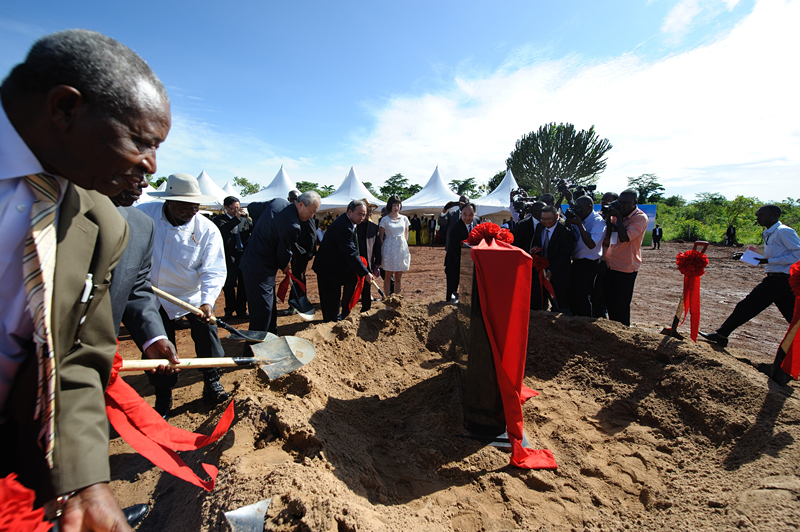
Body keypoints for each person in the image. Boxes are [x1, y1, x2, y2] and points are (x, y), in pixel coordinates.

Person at [0, 29, 171, 530]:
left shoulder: (103, 224)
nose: (151, 165)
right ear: (66, 110)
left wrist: (83, 482)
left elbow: (75, 357)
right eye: (142, 141)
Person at [138, 173, 230, 407]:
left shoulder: (207, 230)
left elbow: (214, 270)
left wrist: (207, 301)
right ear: (169, 201)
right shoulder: (143, 216)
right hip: (153, 296)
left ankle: (212, 383)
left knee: (208, 339)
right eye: (186, 205)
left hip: (192, 296)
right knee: (159, 348)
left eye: (196, 205)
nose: (193, 210)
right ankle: (163, 396)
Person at [109, 186, 180, 419]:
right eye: (138, 151)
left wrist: (154, 336)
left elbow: (136, 287)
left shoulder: (140, 224)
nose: (148, 171)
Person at [700, 205, 800, 349]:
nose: (758, 219)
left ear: (774, 215)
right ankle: (722, 334)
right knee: (793, 317)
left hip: (781, 279)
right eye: (757, 216)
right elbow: (772, 253)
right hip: (778, 278)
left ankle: (722, 334)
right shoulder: (769, 233)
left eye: (761, 216)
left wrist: (767, 261)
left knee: (747, 305)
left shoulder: (784, 231)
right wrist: (746, 256)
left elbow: (797, 254)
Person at [240, 191, 321, 334]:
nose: (312, 216)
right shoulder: (293, 226)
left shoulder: (277, 202)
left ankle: (272, 337)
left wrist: (265, 227)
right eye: (311, 211)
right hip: (259, 268)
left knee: (270, 307)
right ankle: (254, 349)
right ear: (301, 204)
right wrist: (285, 265)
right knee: (262, 311)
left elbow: (252, 208)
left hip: (252, 260)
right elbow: (282, 254)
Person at [313, 200, 375, 321]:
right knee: (331, 300)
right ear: (350, 211)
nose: (362, 217)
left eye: (364, 214)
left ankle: (332, 321)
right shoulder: (344, 226)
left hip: (335, 268)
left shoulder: (349, 222)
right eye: (359, 214)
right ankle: (331, 325)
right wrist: (365, 273)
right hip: (328, 269)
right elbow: (351, 252)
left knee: (334, 300)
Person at [603, 189, 649, 326]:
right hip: (611, 263)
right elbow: (607, 233)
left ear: (635, 202)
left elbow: (624, 237)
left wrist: (617, 215)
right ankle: (613, 328)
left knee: (621, 304)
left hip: (626, 267)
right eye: (620, 202)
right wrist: (609, 215)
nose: (622, 206)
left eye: (626, 203)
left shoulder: (640, 218)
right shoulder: (617, 215)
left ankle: (623, 330)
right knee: (610, 301)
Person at [566, 196, 606, 317]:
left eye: (580, 208)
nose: (578, 210)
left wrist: (579, 224)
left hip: (590, 264)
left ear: (589, 207)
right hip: (576, 262)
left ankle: (585, 320)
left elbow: (591, 244)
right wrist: (569, 221)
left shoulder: (598, 221)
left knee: (584, 295)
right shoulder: (579, 217)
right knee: (573, 293)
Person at [212, 196, 252, 319]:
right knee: (229, 285)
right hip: (228, 257)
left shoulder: (244, 220)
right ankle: (229, 310)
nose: (236, 210)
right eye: (233, 208)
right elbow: (223, 230)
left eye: (238, 208)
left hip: (242, 256)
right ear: (225, 207)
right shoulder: (219, 220)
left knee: (243, 284)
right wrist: (236, 218)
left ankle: (241, 310)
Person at [530, 206, 575, 312]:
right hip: (541, 269)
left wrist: (551, 270)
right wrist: (535, 248)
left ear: (557, 216)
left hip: (559, 271)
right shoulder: (540, 227)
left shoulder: (565, 232)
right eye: (543, 219)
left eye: (549, 218)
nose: (546, 221)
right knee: (539, 299)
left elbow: (564, 255)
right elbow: (537, 241)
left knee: (560, 301)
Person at [592, 192, 619, 318]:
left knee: (603, 291)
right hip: (596, 258)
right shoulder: (598, 216)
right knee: (595, 290)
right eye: (603, 199)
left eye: (608, 199)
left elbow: (610, 241)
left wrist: (609, 220)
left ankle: (602, 314)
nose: (604, 201)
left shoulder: (618, 220)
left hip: (607, 260)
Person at [379, 195, 411, 299]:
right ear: (390, 206)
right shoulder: (384, 219)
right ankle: (387, 301)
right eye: (394, 205)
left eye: (398, 205)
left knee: (398, 276)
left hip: (401, 249)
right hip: (389, 249)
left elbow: (406, 237)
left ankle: (396, 300)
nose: (396, 207)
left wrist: (403, 248)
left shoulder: (405, 219)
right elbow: (380, 238)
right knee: (388, 276)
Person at [444, 203, 476, 303]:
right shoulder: (455, 228)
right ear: (461, 214)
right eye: (464, 214)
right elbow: (454, 250)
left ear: (474, 214)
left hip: (470, 263)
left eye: (470, 214)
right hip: (455, 261)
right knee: (453, 287)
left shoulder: (477, 223)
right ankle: (449, 304)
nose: (467, 217)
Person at [354, 200, 382, 311]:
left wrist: (378, 261)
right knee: (351, 285)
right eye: (366, 211)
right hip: (354, 259)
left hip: (368, 261)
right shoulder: (355, 226)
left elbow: (377, 246)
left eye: (369, 212)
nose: (368, 214)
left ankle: (366, 308)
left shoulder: (374, 227)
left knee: (367, 286)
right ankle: (347, 308)